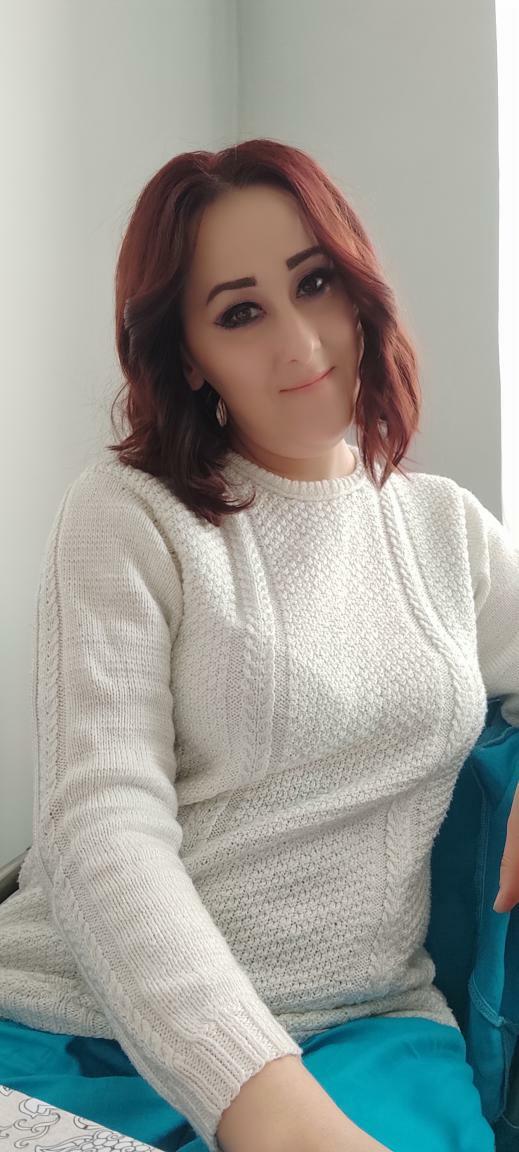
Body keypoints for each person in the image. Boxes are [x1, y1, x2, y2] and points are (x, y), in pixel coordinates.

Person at [0, 137, 510, 1152]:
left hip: (368, 1036)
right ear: (188, 356)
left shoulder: (444, 530)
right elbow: (101, 829)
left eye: (314, 283)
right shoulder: (126, 515)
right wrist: (262, 1101)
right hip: (82, 1033)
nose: (300, 343)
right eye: (241, 312)